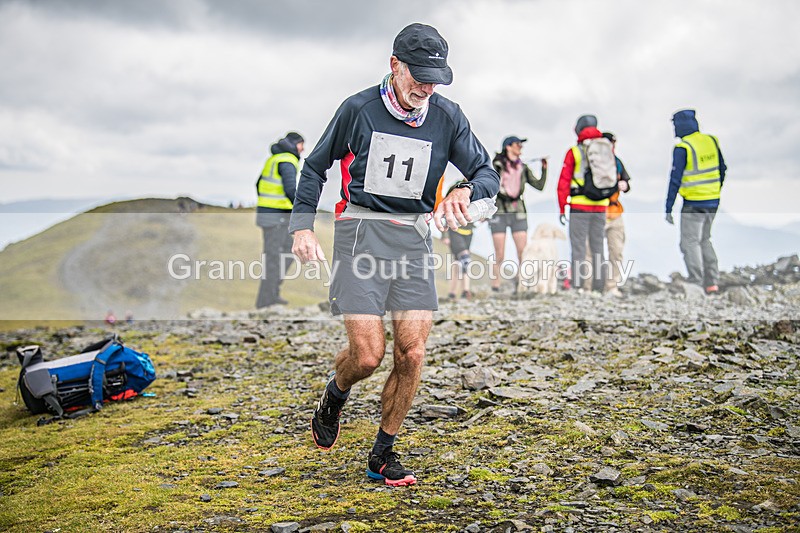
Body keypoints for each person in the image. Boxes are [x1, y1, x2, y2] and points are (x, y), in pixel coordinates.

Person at [289, 23, 499, 486]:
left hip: (413, 240)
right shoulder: (358, 109)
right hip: (360, 235)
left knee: (411, 352)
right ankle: (335, 392)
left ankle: (382, 453)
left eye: (436, 79)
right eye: (418, 76)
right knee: (368, 356)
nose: (426, 88)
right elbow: (315, 166)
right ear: (394, 66)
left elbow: (488, 171)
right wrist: (302, 226)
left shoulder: (447, 116)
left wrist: (464, 190)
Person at [665, 109, 726, 294]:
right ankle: (712, 282)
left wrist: (668, 207)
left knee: (690, 242)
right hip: (713, 201)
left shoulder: (683, 147)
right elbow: (723, 169)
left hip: (693, 202)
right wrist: (715, 190)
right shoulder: (711, 141)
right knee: (705, 239)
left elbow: (675, 179)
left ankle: (697, 281)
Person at [557, 115, 609, 292]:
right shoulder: (606, 149)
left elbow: (564, 181)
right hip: (602, 205)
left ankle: (577, 286)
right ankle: (599, 287)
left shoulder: (575, 152)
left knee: (578, 247)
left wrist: (562, 206)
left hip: (579, 206)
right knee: (598, 247)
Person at [488, 136, 547, 292]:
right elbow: (488, 185)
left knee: (523, 251)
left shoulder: (524, 167)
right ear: (508, 147)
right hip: (499, 211)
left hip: (518, 211)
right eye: (518, 144)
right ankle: (495, 286)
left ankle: (522, 283)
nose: (521, 147)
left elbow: (539, 186)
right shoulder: (496, 165)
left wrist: (544, 169)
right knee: (499, 253)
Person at [255, 132, 304, 308]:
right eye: (301, 145)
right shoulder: (287, 160)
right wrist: (302, 210)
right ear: (295, 144)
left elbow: (258, 184)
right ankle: (266, 301)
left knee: (285, 254)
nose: (303, 149)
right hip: (277, 217)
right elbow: (291, 189)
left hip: (270, 215)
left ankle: (271, 295)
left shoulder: (274, 159)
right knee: (274, 258)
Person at [582, 131, 631, 295]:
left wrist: (625, 185)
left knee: (616, 251)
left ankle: (611, 286)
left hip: (615, 212)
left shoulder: (616, 162)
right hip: (596, 212)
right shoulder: (589, 162)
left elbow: (627, 182)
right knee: (590, 252)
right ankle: (587, 287)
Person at [441, 180, 475, 300]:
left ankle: (452, 292)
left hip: (469, 232)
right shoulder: (455, 188)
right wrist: (444, 235)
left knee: (457, 262)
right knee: (465, 259)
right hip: (454, 230)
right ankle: (466, 291)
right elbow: (443, 209)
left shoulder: (478, 188)